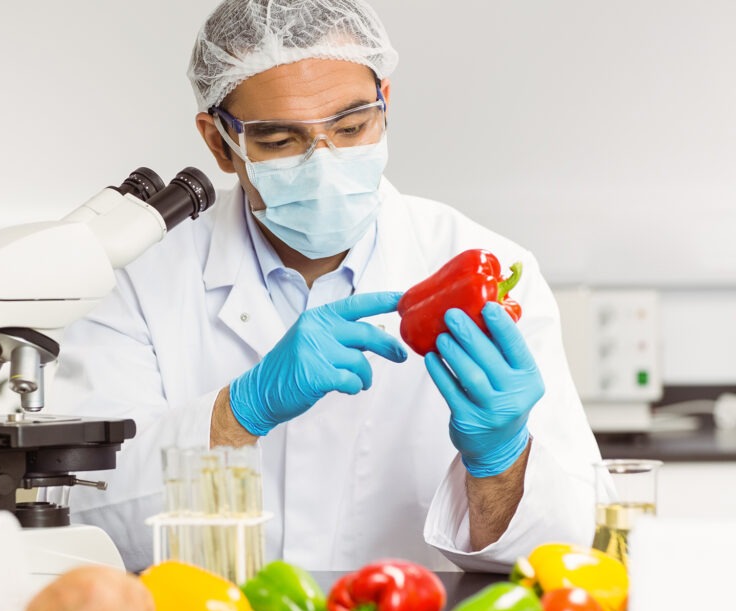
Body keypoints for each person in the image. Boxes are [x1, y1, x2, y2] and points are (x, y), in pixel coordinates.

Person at [48, 0, 601, 573]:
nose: (325, 162)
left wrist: (502, 460)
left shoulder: (494, 271)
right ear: (218, 143)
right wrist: (236, 415)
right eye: (281, 141)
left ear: (386, 101)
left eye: (351, 126)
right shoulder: (137, 280)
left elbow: (562, 556)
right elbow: (86, 516)